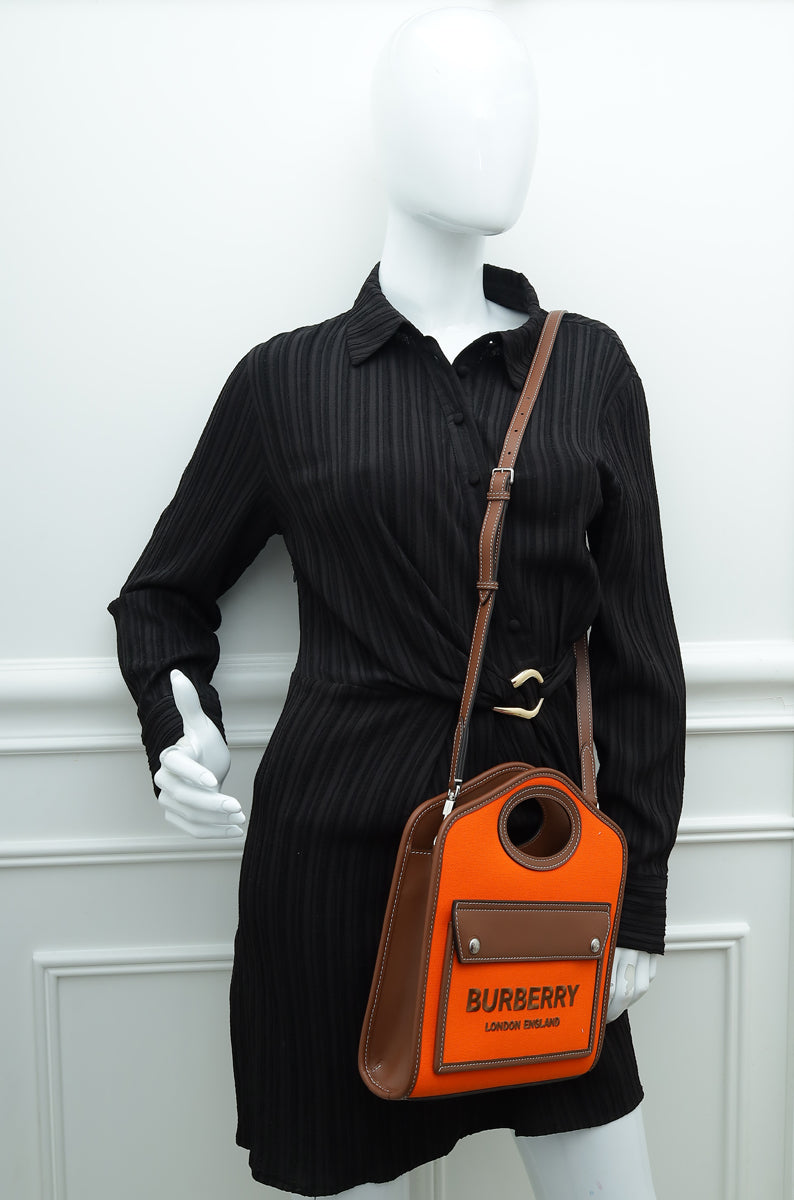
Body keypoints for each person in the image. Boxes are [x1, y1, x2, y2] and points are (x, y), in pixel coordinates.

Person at [108, 9, 685, 1198]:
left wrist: (633, 900)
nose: (498, 136)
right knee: (340, 1163)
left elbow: (639, 655)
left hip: (535, 854)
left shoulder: (587, 369)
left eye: (516, 107)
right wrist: (179, 727)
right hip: (334, 861)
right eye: (458, 104)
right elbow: (161, 597)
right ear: (388, 130)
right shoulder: (287, 380)